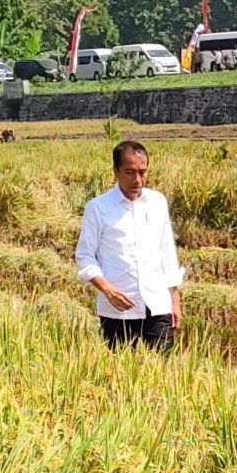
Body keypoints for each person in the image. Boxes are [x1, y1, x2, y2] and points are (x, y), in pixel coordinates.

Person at [75, 141, 184, 351]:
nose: (137, 180)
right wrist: (107, 290)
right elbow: (85, 256)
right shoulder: (98, 208)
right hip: (118, 310)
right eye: (130, 172)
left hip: (157, 304)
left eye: (143, 172)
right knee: (121, 374)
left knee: (163, 373)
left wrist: (174, 300)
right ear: (115, 172)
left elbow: (167, 252)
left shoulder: (158, 202)